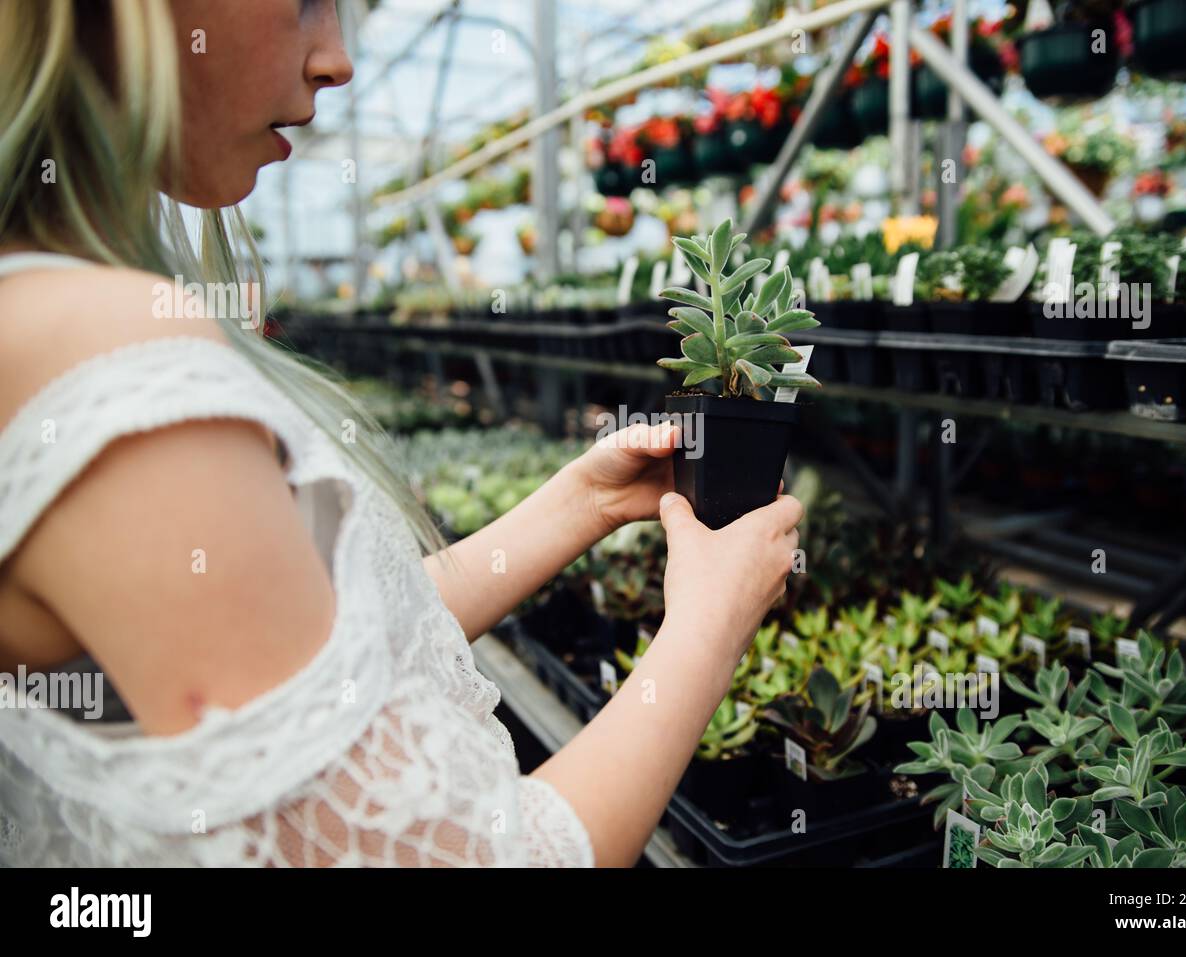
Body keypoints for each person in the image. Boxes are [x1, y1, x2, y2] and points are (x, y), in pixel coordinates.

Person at [0, 0, 802, 867]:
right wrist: (708, 624)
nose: (338, 59)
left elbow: (335, 659)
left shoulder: (49, 308)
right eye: (308, 1)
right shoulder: (108, 349)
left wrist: (582, 503)